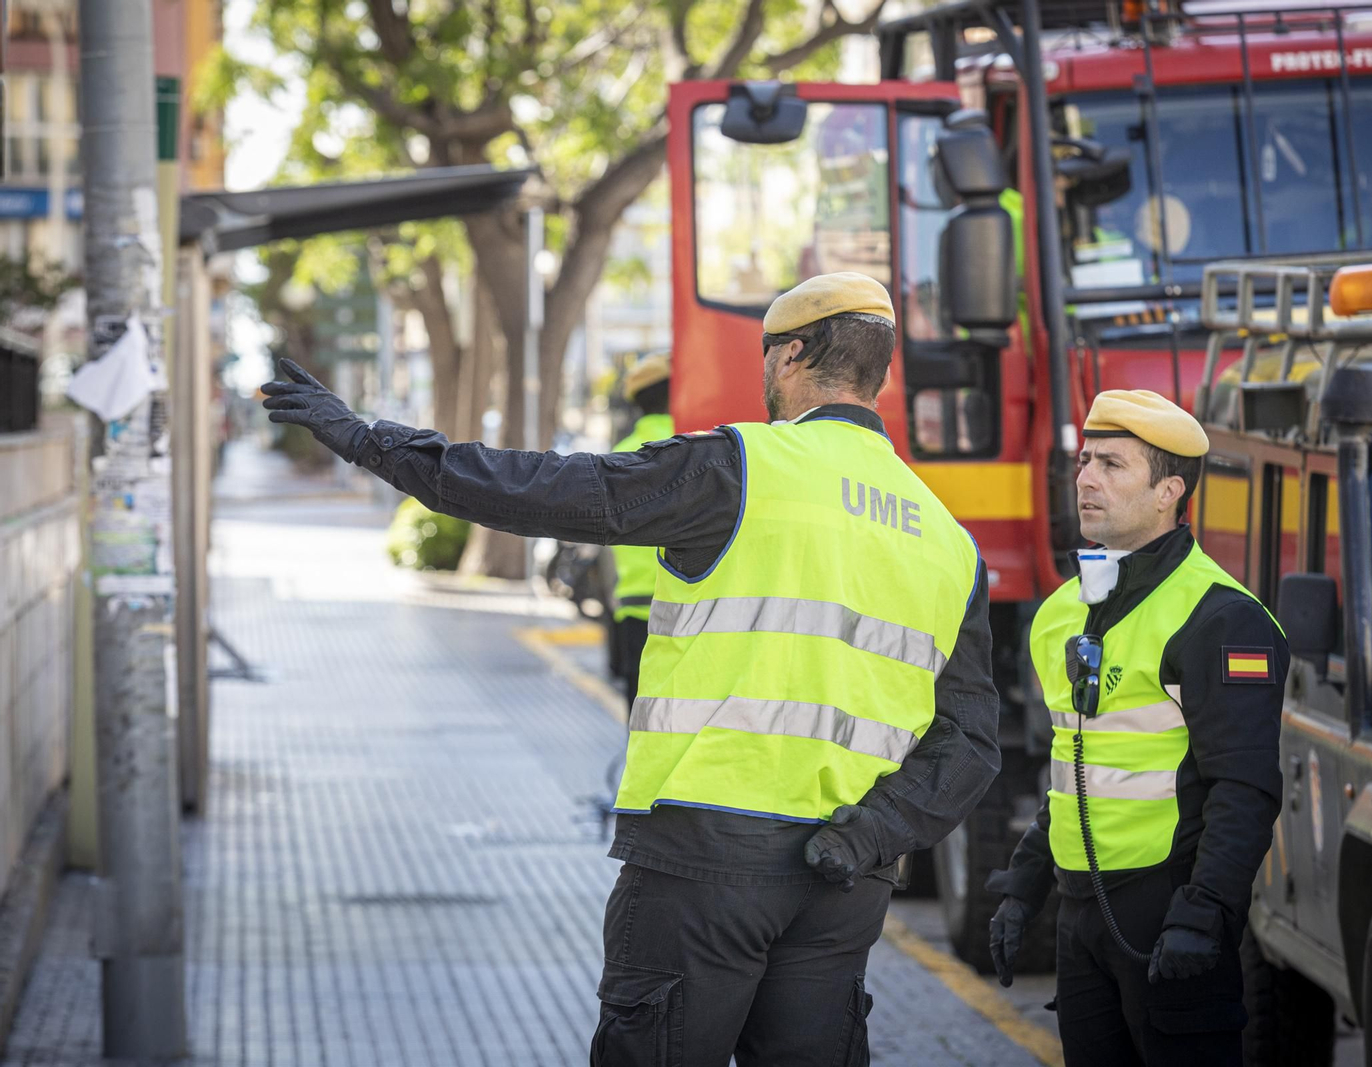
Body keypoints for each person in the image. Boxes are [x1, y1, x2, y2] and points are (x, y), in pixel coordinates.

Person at [260, 271, 1002, 1066]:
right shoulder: (948, 540)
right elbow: (970, 744)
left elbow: (542, 491)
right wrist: (867, 839)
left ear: (790, 356)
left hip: (705, 860)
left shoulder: (738, 468)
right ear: (877, 372)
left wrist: (372, 440)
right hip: (847, 881)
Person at [987, 390, 1287, 1067]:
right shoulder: (1060, 612)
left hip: (1171, 919)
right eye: (1086, 459)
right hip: (1081, 919)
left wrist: (1204, 911)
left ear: (1168, 492)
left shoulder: (1219, 618)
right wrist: (1024, 885)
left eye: (1113, 465)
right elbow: (1077, 766)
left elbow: (1243, 790)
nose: (1086, 478)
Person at [607, 352, 673, 706]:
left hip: (633, 611)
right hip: (688, 612)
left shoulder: (620, 455)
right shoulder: (698, 444)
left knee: (639, 721)